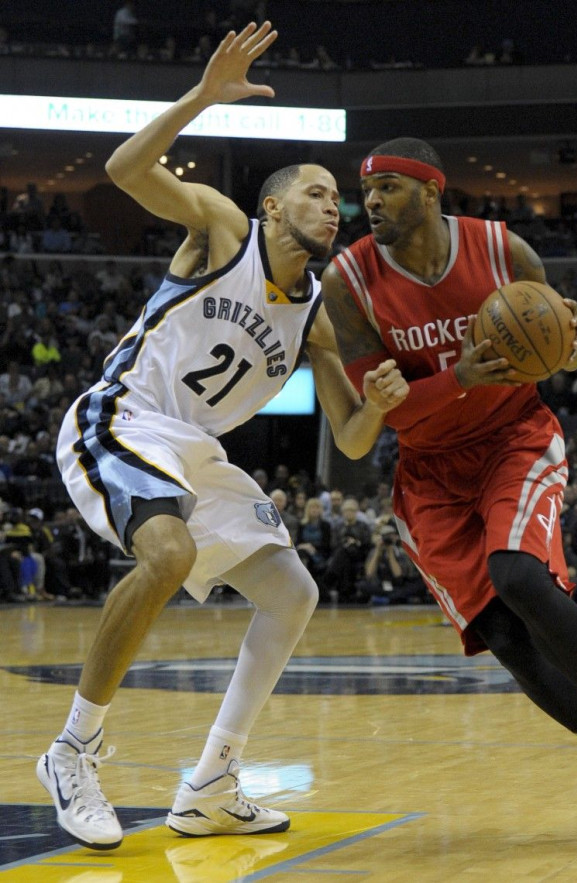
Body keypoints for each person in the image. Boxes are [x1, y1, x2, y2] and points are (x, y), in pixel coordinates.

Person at [36, 23, 408, 852]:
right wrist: (202, 100)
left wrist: (377, 402)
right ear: (274, 205)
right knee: (165, 555)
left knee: (294, 592)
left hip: (197, 452)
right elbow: (124, 170)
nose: (332, 205)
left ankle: (210, 781)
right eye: (315, 192)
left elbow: (349, 441)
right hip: (124, 415)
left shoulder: (318, 318)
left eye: (335, 199)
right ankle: (73, 749)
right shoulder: (224, 229)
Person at [320, 136, 577, 842]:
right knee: (507, 639)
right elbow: (386, 409)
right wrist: (459, 376)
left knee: (516, 572)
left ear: (431, 191)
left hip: (513, 435)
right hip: (429, 468)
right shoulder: (348, 281)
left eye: (390, 187)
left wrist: (571, 335)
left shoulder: (502, 251)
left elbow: (565, 350)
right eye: (367, 190)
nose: (372, 202)